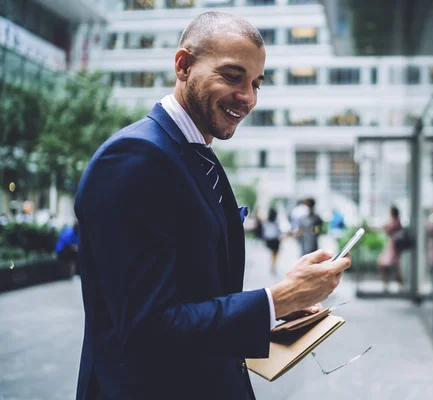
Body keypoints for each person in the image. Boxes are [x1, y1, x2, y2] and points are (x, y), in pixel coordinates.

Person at [74, 12, 351, 400]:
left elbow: (194, 295)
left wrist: (275, 310)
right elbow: (147, 329)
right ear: (183, 65)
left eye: (256, 83)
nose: (249, 98)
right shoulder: (133, 157)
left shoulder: (194, 152)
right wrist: (278, 299)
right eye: (232, 76)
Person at [377, 206, 404, 291]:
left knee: (393, 267)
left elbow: (388, 229)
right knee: (390, 267)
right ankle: (388, 284)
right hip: (392, 247)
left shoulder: (396, 222)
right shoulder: (394, 221)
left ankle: (393, 284)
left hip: (394, 248)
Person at [262, 208, 282, 275]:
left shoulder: (266, 222)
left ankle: (272, 264)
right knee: (275, 254)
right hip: (275, 239)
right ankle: (273, 265)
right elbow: (278, 231)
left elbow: (264, 231)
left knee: (272, 253)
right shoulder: (276, 222)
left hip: (269, 239)